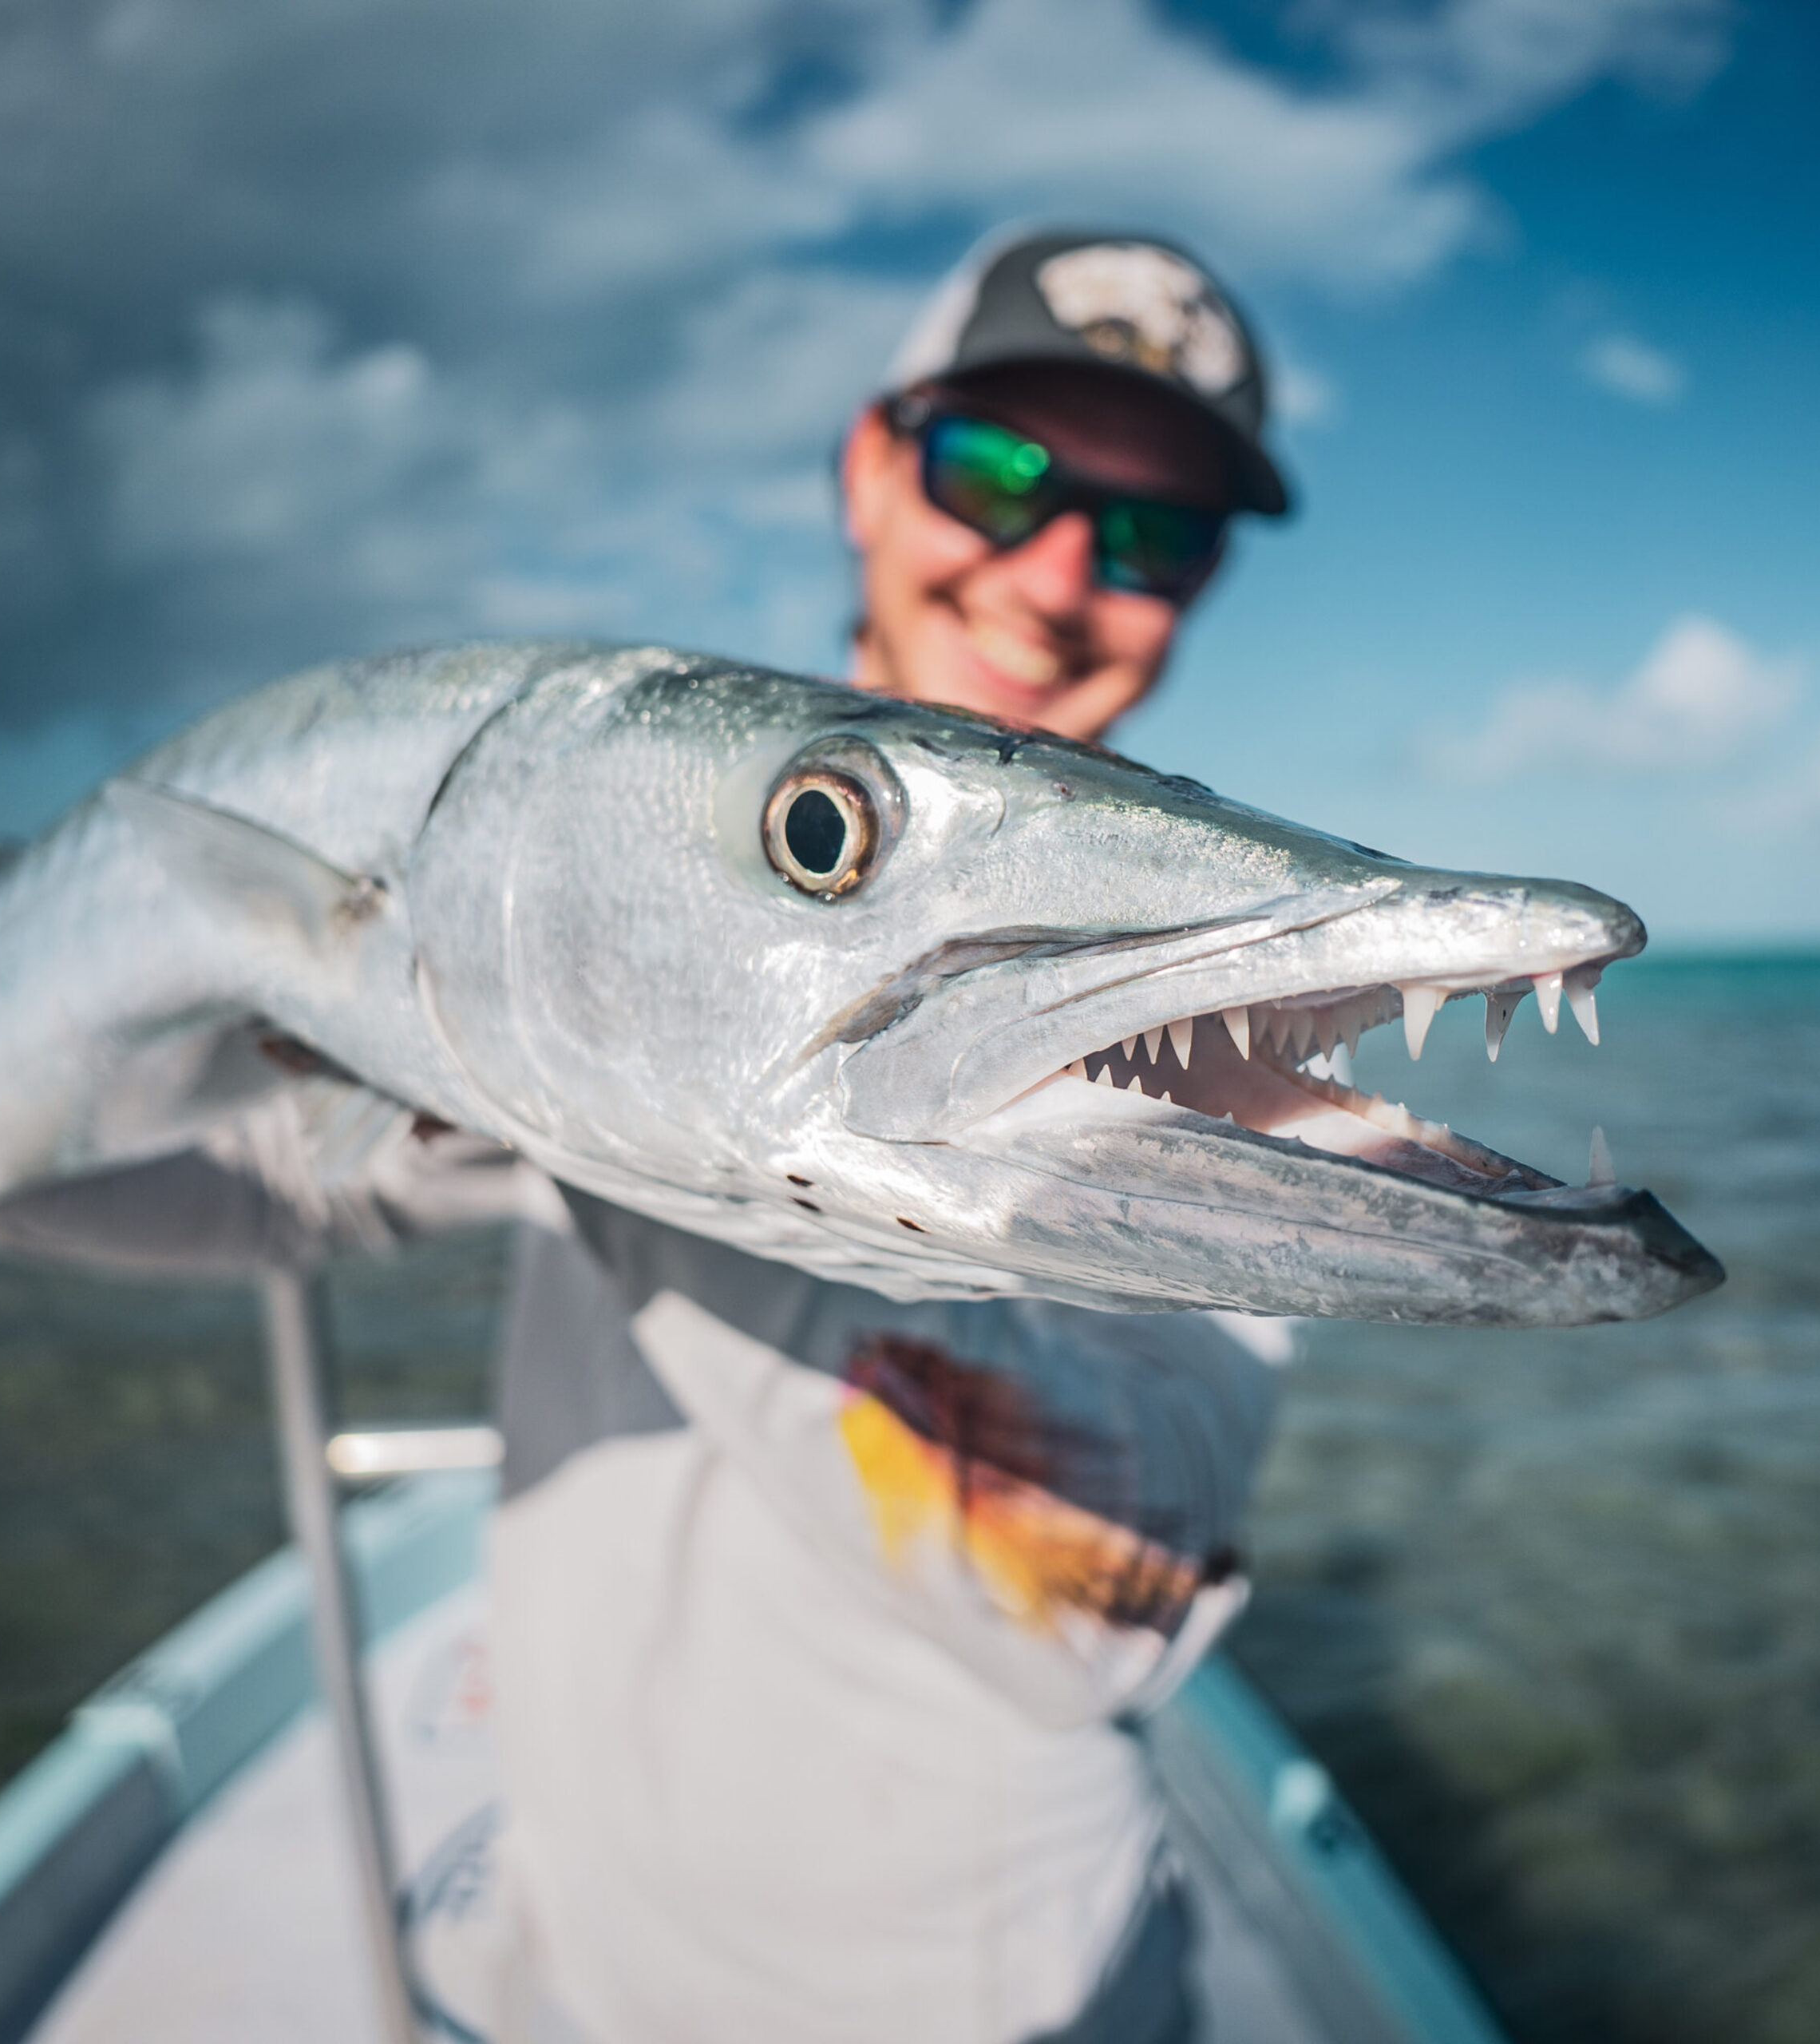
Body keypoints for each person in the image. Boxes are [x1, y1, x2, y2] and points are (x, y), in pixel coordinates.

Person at [484, 228, 1298, 2044]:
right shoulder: (567, 887)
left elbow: (1091, 1603)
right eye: (996, 473)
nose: (1061, 574)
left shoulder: (1216, 1050)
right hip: (560, 1956)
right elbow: (217, 1191)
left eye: (1157, 537)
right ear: (869, 465)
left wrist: (629, 1064)